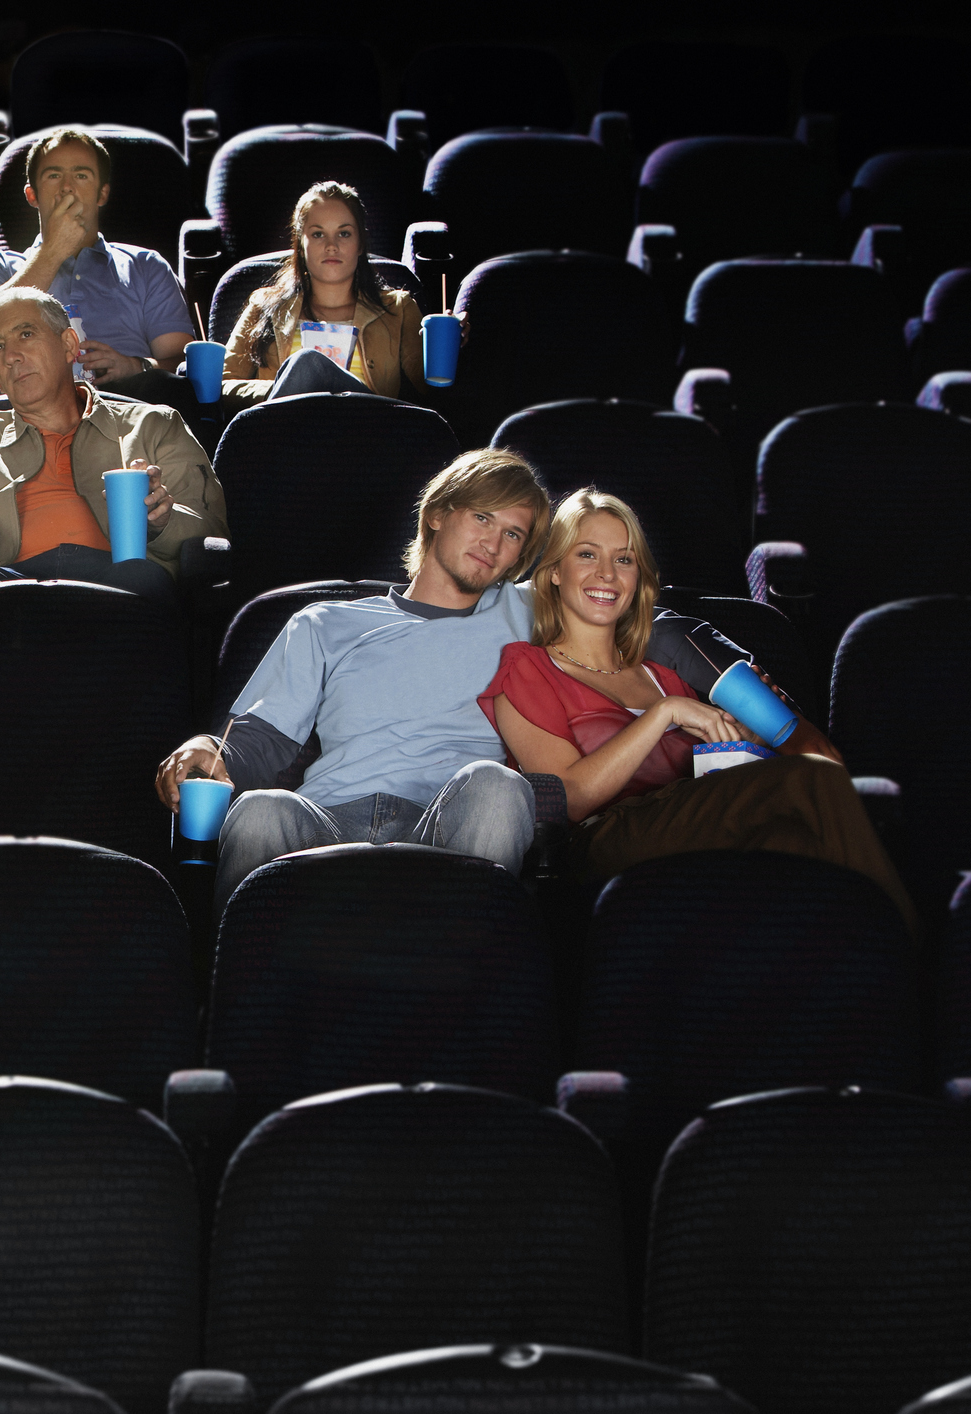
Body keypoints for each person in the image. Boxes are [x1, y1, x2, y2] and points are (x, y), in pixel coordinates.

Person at [155, 450, 827, 908]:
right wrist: (199, 756)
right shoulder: (324, 623)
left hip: (457, 818)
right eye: (483, 518)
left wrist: (780, 722)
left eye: (513, 535)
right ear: (437, 513)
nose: (495, 544)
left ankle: (476, 974)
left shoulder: (526, 610)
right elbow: (253, 747)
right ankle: (232, 993)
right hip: (330, 816)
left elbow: (661, 631)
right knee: (258, 811)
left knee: (495, 787)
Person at [477, 488, 915, 926]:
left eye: (624, 559)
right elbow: (571, 798)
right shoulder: (527, 666)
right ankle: (911, 952)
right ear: (554, 572)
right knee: (816, 776)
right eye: (587, 555)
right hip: (600, 839)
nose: (607, 574)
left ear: (639, 577)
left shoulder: (663, 675)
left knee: (792, 838)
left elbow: (713, 775)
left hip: (690, 820)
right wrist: (663, 714)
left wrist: (751, 742)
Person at [0, 288, 227, 606]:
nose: (10, 355)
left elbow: (211, 531)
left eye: (26, 334)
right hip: (9, 584)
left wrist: (163, 521)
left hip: (117, 583)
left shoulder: (154, 424)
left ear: (69, 345)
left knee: (143, 578)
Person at [0, 128, 192, 387]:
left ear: (102, 194)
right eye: (54, 175)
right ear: (32, 195)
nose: (67, 187)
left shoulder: (147, 266)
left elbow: (183, 368)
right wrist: (52, 252)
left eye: (81, 175)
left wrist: (136, 365)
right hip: (24, 416)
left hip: (131, 411)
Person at [224, 181, 425, 400]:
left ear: (360, 244)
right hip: (285, 428)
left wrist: (448, 346)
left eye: (344, 233)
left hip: (367, 429)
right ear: (300, 245)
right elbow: (222, 385)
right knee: (307, 363)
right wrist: (285, 389)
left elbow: (435, 389)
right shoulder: (264, 305)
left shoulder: (399, 309)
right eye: (318, 234)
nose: (332, 245)